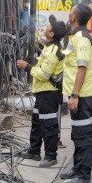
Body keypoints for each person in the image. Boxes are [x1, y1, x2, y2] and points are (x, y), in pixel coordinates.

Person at [16, 16, 68, 167]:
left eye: (48, 25)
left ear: (51, 34)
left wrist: (26, 66)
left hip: (49, 94)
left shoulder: (52, 51)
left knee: (49, 125)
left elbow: (45, 74)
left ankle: (51, 156)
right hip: (43, 93)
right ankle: (34, 151)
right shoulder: (49, 47)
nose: (45, 25)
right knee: (37, 122)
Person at [60, 3, 92, 183]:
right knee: (77, 134)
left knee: (83, 135)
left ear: (74, 17)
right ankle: (77, 168)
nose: (69, 13)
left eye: (71, 10)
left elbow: (82, 67)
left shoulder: (82, 38)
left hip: (81, 95)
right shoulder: (74, 36)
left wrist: (75, 95)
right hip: (75, 93)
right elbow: (65, 57)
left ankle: (84, 176)